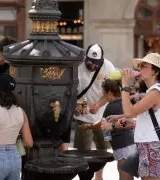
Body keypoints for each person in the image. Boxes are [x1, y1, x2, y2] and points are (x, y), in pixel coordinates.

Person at [120, 53, 160, 180]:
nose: (139, 69)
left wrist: (125, 84)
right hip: (149, 145)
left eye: (144, 65)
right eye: (139, 65)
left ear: (155, 71)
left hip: (151, 147)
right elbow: (156, 118)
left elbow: (129, 112)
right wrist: (134, 122)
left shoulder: (155, 92)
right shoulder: (157, 90)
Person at [73, 44, 115, 180]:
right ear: (86, 58)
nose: (93, 66)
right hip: (82, 116)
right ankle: (84, 177)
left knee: (103, 148)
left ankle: (99, 176)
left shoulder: (108, 67)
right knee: (82, 150)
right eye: (90, 63)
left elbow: (112, 92)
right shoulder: (78, 66)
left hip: (102, 114)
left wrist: (98, 104)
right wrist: (77, 107)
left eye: (96, 64)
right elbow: (71, 92)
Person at [99, 79, 136, 180]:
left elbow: (129, 122)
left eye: (104, 93)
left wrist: (113, 126)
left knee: (124, 175)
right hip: (130, 143)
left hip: (123, 146)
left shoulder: (111, 107)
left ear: (110, 93)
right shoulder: (125, 103)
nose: (104, 96)